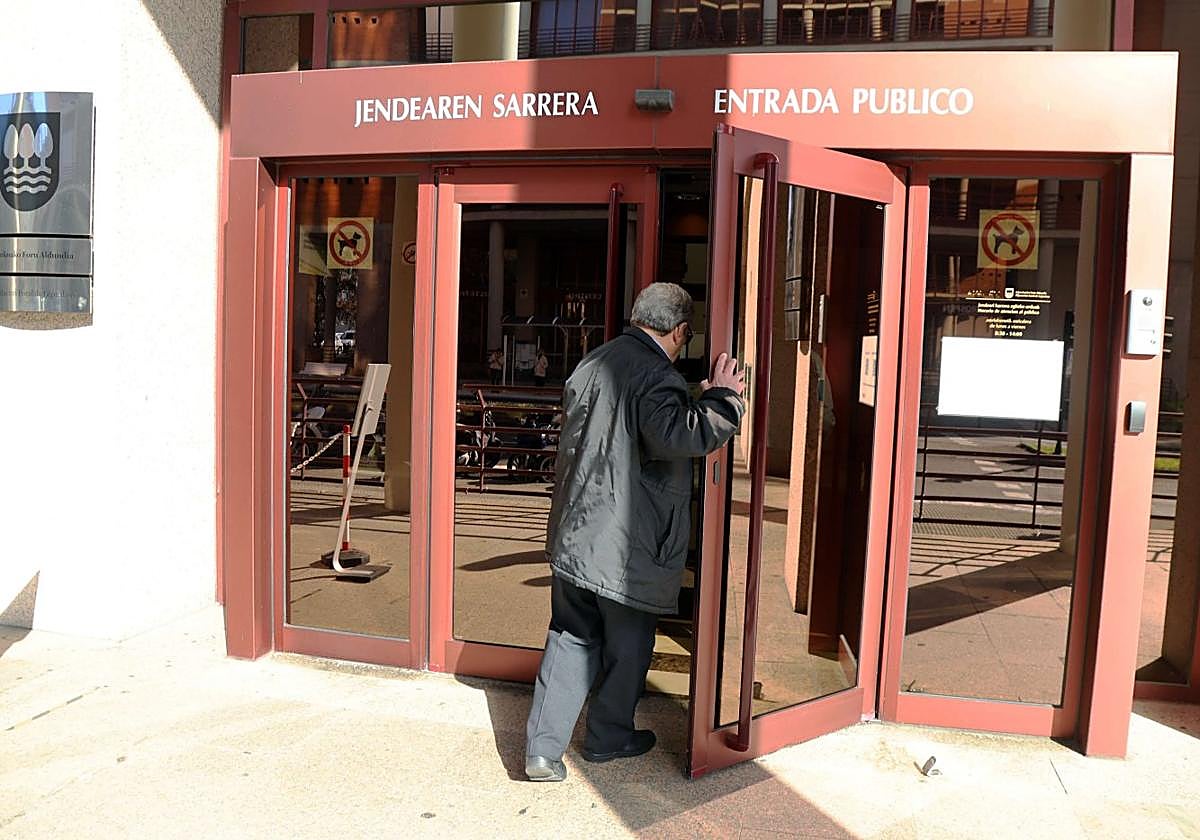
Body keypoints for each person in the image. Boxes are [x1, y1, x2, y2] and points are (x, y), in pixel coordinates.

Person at [524, 282, 745, 782]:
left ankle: (541, 750)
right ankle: (607, 737)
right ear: (680, 331)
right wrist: (725, 401)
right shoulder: (657, 376)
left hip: (575, 536)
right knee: (628, 648)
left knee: (569, 635)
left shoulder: (592, 363)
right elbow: (678, 436)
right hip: (625, 544)